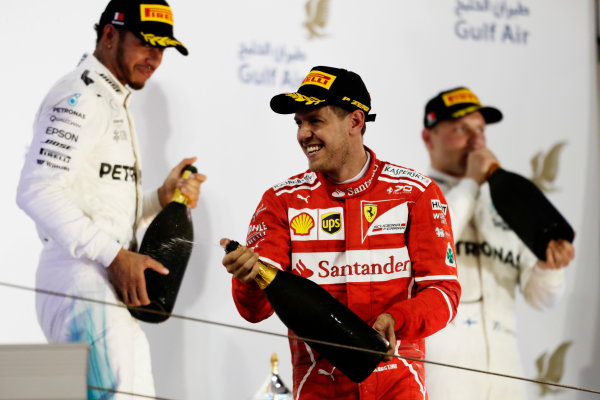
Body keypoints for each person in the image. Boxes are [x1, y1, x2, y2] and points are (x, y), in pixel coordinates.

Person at [220, 66, 461, 400]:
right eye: (298, 123)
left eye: (315, 121)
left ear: (355, 121)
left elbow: (444, 293)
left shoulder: (415, 193)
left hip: (397, 389)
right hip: (319, 391)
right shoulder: (281, 202)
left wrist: (398, 318)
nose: (303, 133)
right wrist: (249, 278)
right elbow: (254, 310)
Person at [16, 1, 206, 398]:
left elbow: (101, 207)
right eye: (146, 43)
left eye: (163, 47)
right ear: (108, 35)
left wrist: (159, 199)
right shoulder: (79, 96)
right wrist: (116, 257)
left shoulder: (110, 96)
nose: (155, 57)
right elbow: (36, 190)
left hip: (102, 280)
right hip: (80, 279)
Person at [421, 87, 575, 399]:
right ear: (428, 138)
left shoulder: (505, 204)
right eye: (461, 129)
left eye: (480, 130)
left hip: (508, 378)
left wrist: (549, 266)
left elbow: (542, 300)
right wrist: (471, 184)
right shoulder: (415, 194)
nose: (476, 141)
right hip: (442, 378)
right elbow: (435, 241)